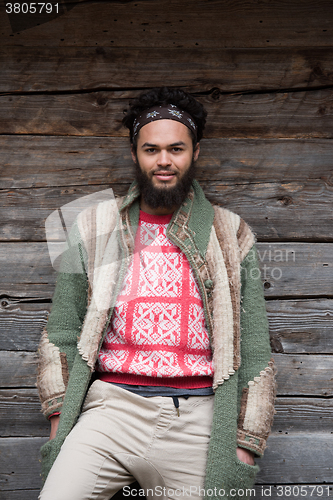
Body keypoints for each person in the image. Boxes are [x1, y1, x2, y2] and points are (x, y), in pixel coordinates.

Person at [37, 87, 276, 500]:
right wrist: (61, 420)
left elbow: (254, 347)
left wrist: (244, 445)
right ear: (135, 154)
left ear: (195, 152)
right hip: (110, 409)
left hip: (200, 417)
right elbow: (61, 328)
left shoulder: (230, 232)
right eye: (151, 149)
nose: (164, 160)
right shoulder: (95, 226)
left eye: (176, 149)